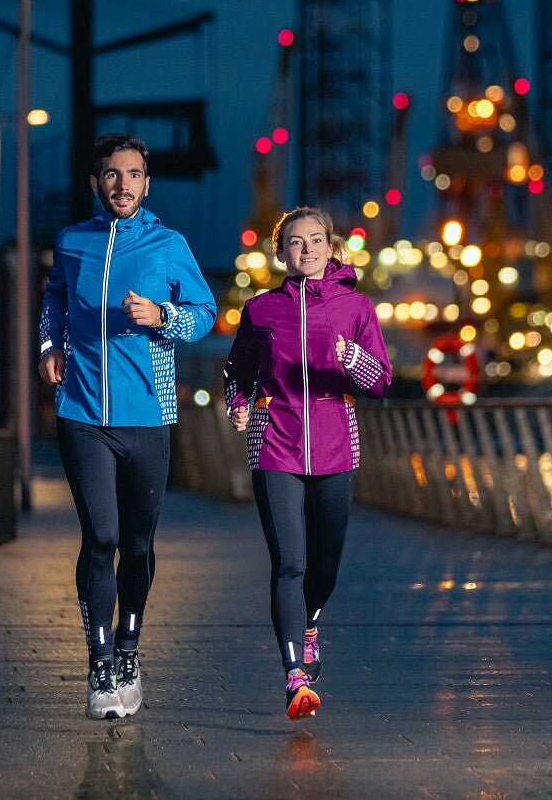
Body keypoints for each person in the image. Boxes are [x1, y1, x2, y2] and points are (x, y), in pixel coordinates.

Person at [39, 132, 216, 719]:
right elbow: (55, 300)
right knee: (102, 538)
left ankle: (130, 648)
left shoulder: (169, 245)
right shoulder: (72, 242)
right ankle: (99, 666)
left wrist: (162, 315)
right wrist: (48, 345)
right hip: (82, 414)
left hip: (149, 418)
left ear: (146, 182)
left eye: (134, 174)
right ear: (96, 182)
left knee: (138, 544)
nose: (122, 184)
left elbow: (205, 315)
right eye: (111, 174)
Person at [223, 206, 392, 719]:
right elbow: (238, 371)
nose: (308, 249)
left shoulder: (356, 307)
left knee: (325, 563)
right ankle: (296, 674)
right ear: (281, 252)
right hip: (274, 444)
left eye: (316, 240)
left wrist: (351, 361)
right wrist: (237, 405)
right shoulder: (260, 310)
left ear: (331, 245)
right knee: (289, 562)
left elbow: (382, 381)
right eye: (296, 242)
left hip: (336, 444)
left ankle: (311, 621)